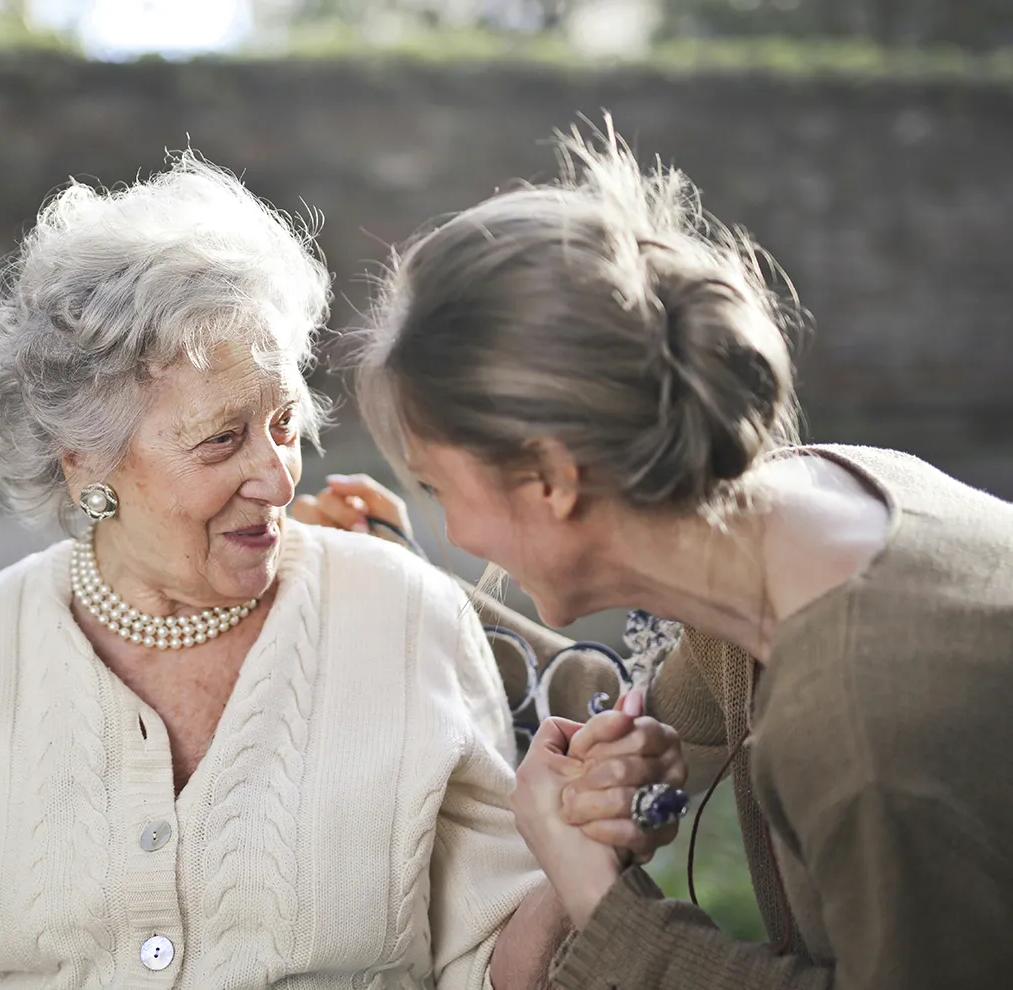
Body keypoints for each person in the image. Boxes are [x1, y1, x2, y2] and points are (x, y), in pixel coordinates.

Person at [0, 153, 603, 990]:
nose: (278, 476)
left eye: (284, 422)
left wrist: (574, 852)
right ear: (85, 465)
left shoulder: (406, 616)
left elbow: (488, 965)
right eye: (221, 439)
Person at [301, 120, 1013, 989]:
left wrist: (598, 897)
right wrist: (396, 579)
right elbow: (628, 711)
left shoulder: (863, 727)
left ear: (551, 480)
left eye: (439, 489)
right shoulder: (816, 507)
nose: (460, 536)